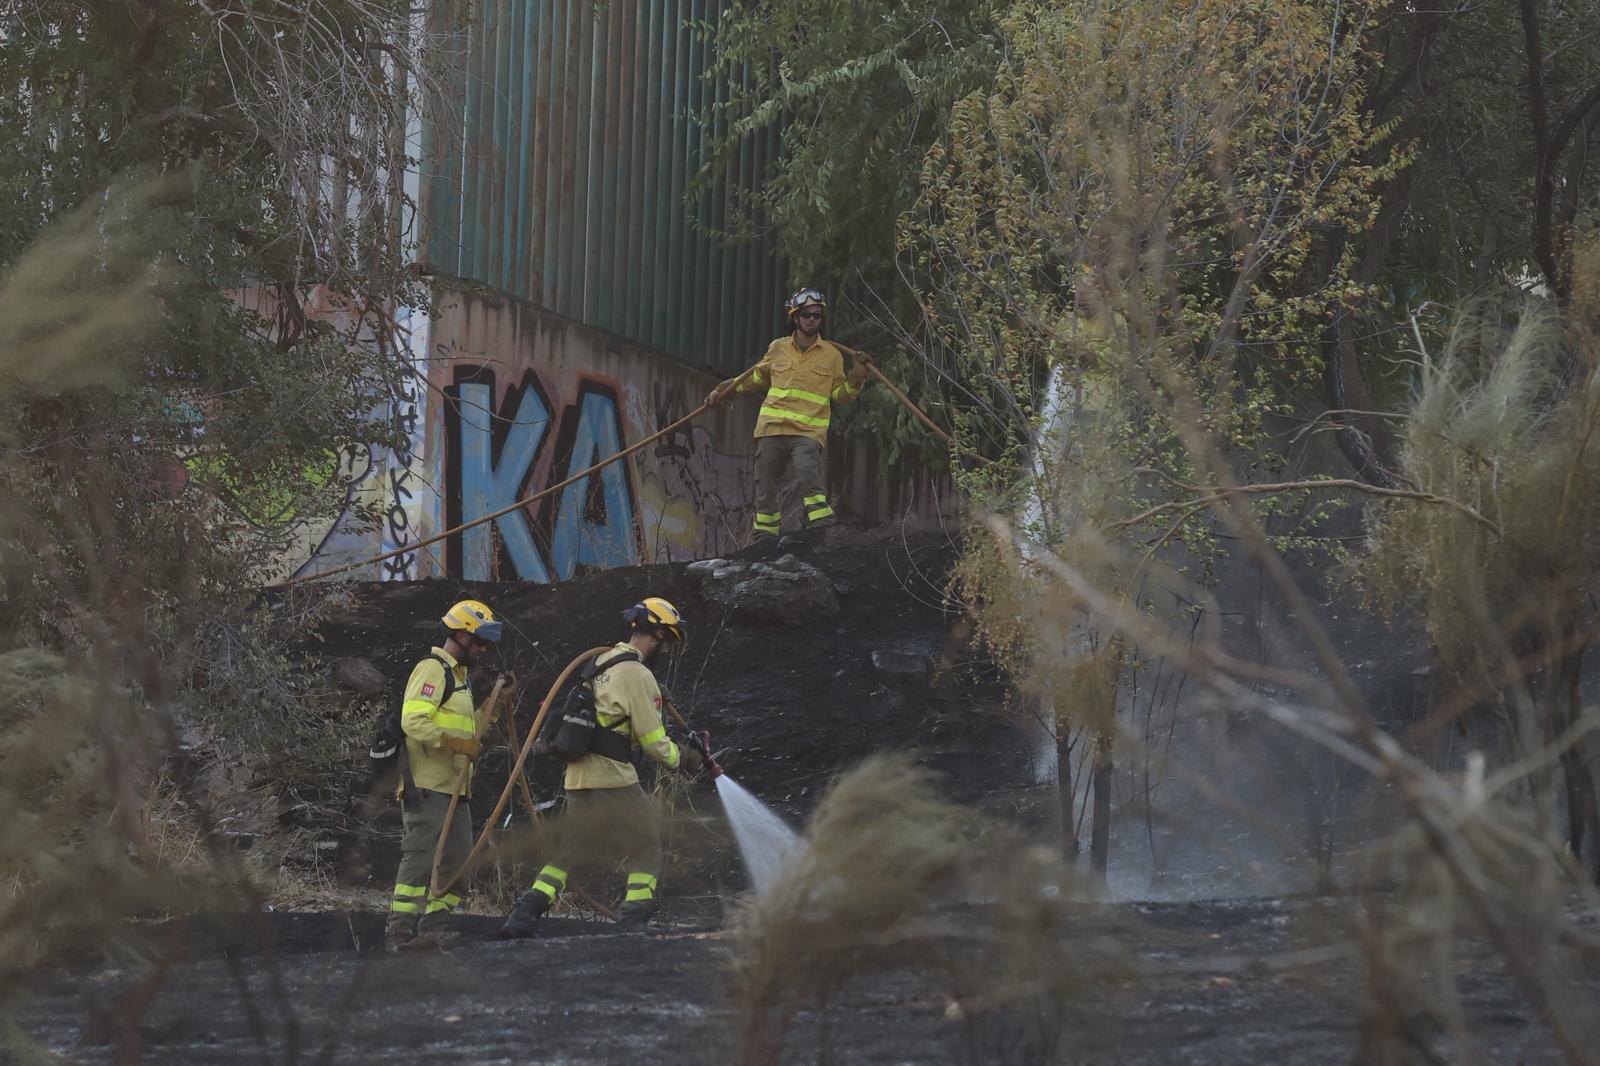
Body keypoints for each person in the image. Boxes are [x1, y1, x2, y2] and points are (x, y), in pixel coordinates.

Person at [499, 597, 704, 938]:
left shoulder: (601, 662)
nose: (665, 651)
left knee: (573, 847)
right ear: (654, 636)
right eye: (666, 642)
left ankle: (524, 913)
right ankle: (632, 919)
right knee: (646, 845)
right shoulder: (636, 673)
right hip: (613, 778)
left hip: (578, 777)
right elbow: (654, 743)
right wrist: (684, 758)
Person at [385, 598, 506, 952]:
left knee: (457, 859)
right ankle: (399, 934)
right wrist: (454, 743)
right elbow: (414, 721)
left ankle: (434, 929)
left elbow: (471, 735)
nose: (483, 648)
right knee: (420, 860)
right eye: (479, 640)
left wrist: (495, 705)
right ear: (460, 635)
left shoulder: (460, 679)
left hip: (455, 788)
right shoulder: (433, 669)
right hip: (427, 787)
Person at [707, 287, 871, 543]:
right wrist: (723, 391)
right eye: (806, 314)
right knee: (766, 486)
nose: (812, 320)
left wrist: (857, 375)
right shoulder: (777, 348)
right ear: (795, 317)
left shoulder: (832, 356)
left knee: (809, 475)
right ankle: (764, 540)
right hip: (771, 428)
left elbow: (841, 395)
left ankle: (823, 530)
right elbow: (755, 379)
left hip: (807, 432)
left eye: (817, 315)